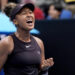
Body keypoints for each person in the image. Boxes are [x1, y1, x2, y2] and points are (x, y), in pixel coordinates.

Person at [0, 3, 54, 75]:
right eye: (24, 13)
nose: (29, 15)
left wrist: (44, 69)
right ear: (15, 21)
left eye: (30, 12)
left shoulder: (39, 42)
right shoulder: (6, 43)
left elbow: (41, 71)